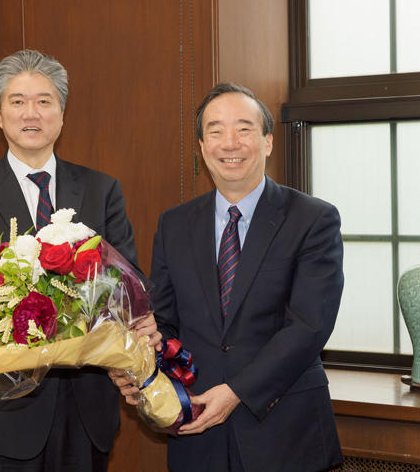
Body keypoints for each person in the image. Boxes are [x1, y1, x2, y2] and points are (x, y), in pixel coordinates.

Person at [0, 49, 158, 471]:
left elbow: (128, 286)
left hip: (86, 410)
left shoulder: (102, 190)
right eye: (17, 101)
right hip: (1, 415)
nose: (31, 113)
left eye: (44, 101)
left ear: (61, 114)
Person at [111, 83, 344, 471]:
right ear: (203, 148)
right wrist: (140, 365)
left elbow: (309, 326)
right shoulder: (174, 224)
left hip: (284, 431)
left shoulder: (313, 219)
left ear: (268, 142)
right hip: (198, 430)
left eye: (244, 129)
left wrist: (237, 391)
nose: (230, 143)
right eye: (216, 131)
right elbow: (165, 322)